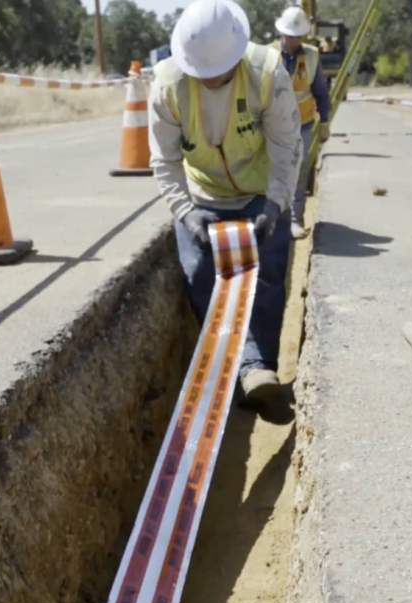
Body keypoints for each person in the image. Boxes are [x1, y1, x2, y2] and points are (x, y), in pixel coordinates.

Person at [148, 0, 303, 405]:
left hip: (259, 191)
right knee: (200, 274)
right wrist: (186, 213)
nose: (211, 81)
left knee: (267, 276)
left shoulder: (267, 73)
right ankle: (236, 370)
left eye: (219, 74)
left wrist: (274, 205)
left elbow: (287, 147)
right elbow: (163, 161)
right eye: (204, 75)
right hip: (203, 197)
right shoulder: (167, 84)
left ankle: (258, 370)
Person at [271, 6, 333, 240]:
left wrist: (324, 121)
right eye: (290, 35)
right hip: (273, 124)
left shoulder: (312, 55)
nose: (294, 40)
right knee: (273, 170)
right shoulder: (267, 55)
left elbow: (321, 92)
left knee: (299, 170)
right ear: (281, 33)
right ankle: (276, 217)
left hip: (303, 124)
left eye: (298, 36)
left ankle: (296, 219)